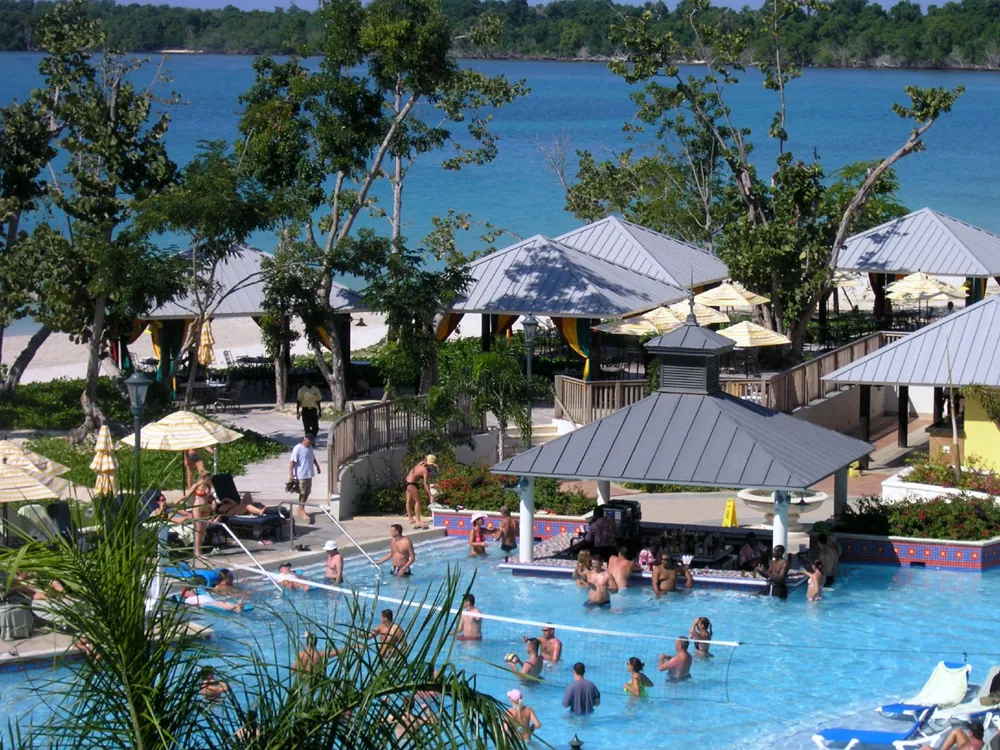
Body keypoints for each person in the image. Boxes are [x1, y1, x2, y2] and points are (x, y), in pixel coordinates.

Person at [180, 471, 215, 558]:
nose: (210, 481)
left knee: (203, 530)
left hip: (205, 508)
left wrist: (214, 502)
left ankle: (199, 550)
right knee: (198, 529)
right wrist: (180, 501)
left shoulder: (208, 486)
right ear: (203, 478)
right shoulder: (196, 485)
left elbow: (210, 497)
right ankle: (197, 552)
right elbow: (188, 495)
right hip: (197, 508)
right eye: (208, 479)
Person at [289, 435, 321, 522]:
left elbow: (313, 458)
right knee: (302, 493)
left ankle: (300, 508)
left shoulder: (310, 448)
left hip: (309, 474)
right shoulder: (297, 448)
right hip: (301, 475)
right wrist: (291, 475)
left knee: (307, 492)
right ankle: (302, 510)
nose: (310, 443)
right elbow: (292, 462)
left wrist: (317, 466)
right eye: (310, 442)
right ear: (306, 440)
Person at [404, 455, 436, 529]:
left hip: (406, 481)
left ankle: (410, 518)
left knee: (409, 501)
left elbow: (412, 471)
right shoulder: (425, 470)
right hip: (411, 484)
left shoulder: (421, 463)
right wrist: (430, 495)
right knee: (418, 501)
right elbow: (426, 484)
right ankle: (418, 520)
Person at [920, 721, 985, 750]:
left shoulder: (972, 748)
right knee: (957, 731)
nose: (968, 732)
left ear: (971, 734)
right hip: (965, 745)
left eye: (969, 730)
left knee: (926, 748)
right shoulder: (982, 743)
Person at [180, 585, 246, 612]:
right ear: (185, 594)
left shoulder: (199, 595)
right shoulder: (188, 600)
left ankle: (236, 608)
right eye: (189, 589)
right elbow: (190, 605)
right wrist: (199, 604)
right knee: (221, 605)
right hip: (207, 604)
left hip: (213, 602)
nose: (191, 590)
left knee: (223, 603)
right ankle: (236, 606)